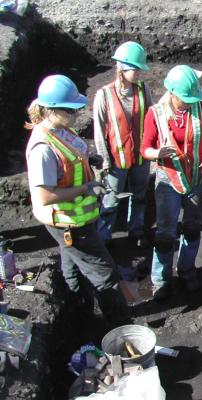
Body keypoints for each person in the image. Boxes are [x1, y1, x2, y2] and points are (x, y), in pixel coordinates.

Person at [25, 74, 130, 324]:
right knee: (104, 274)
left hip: (75, 219)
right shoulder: (42, 150)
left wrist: (89, 161)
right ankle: (121, 326)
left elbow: (71, 158)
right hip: (68, 222)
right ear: (51, 110)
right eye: (71, 109)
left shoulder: (61, 129)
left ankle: (80, 313)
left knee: (72, 263)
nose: (77, 113)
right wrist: (86, 189)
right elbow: (45, 195)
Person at [141, 65, 202, 300]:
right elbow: (145, 149)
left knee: (193, 227)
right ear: (171, 92)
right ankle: (160, 280)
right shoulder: (155, 114)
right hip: (169, 179)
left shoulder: (201, 109)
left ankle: (186, 270)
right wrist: (158, 153)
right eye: (183, 99)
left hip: (197, 178)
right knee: (165, 232)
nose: (187, 103)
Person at [94, 41, 153, 247]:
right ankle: (104, 238)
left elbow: (152, 120)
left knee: (139, 197)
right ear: (121, 67)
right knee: (111, 201)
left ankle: (135, 231)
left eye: (139, 69)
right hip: (116, 160)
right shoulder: (104, 95)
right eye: (134, 69)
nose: (138, 73)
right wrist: (104, 161)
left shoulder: (144, 90)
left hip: (140, 157)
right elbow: (100, 131)